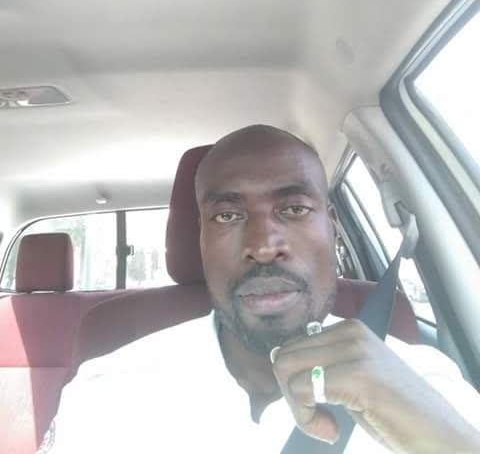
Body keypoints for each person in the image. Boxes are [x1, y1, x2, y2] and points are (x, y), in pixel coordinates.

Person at [41, 125, 480, 453]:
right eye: (228, 216)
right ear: (200, 240)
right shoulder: (108, 395)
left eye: (295, 208)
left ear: (333, 228)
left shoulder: (423, 383)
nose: (263, 246)